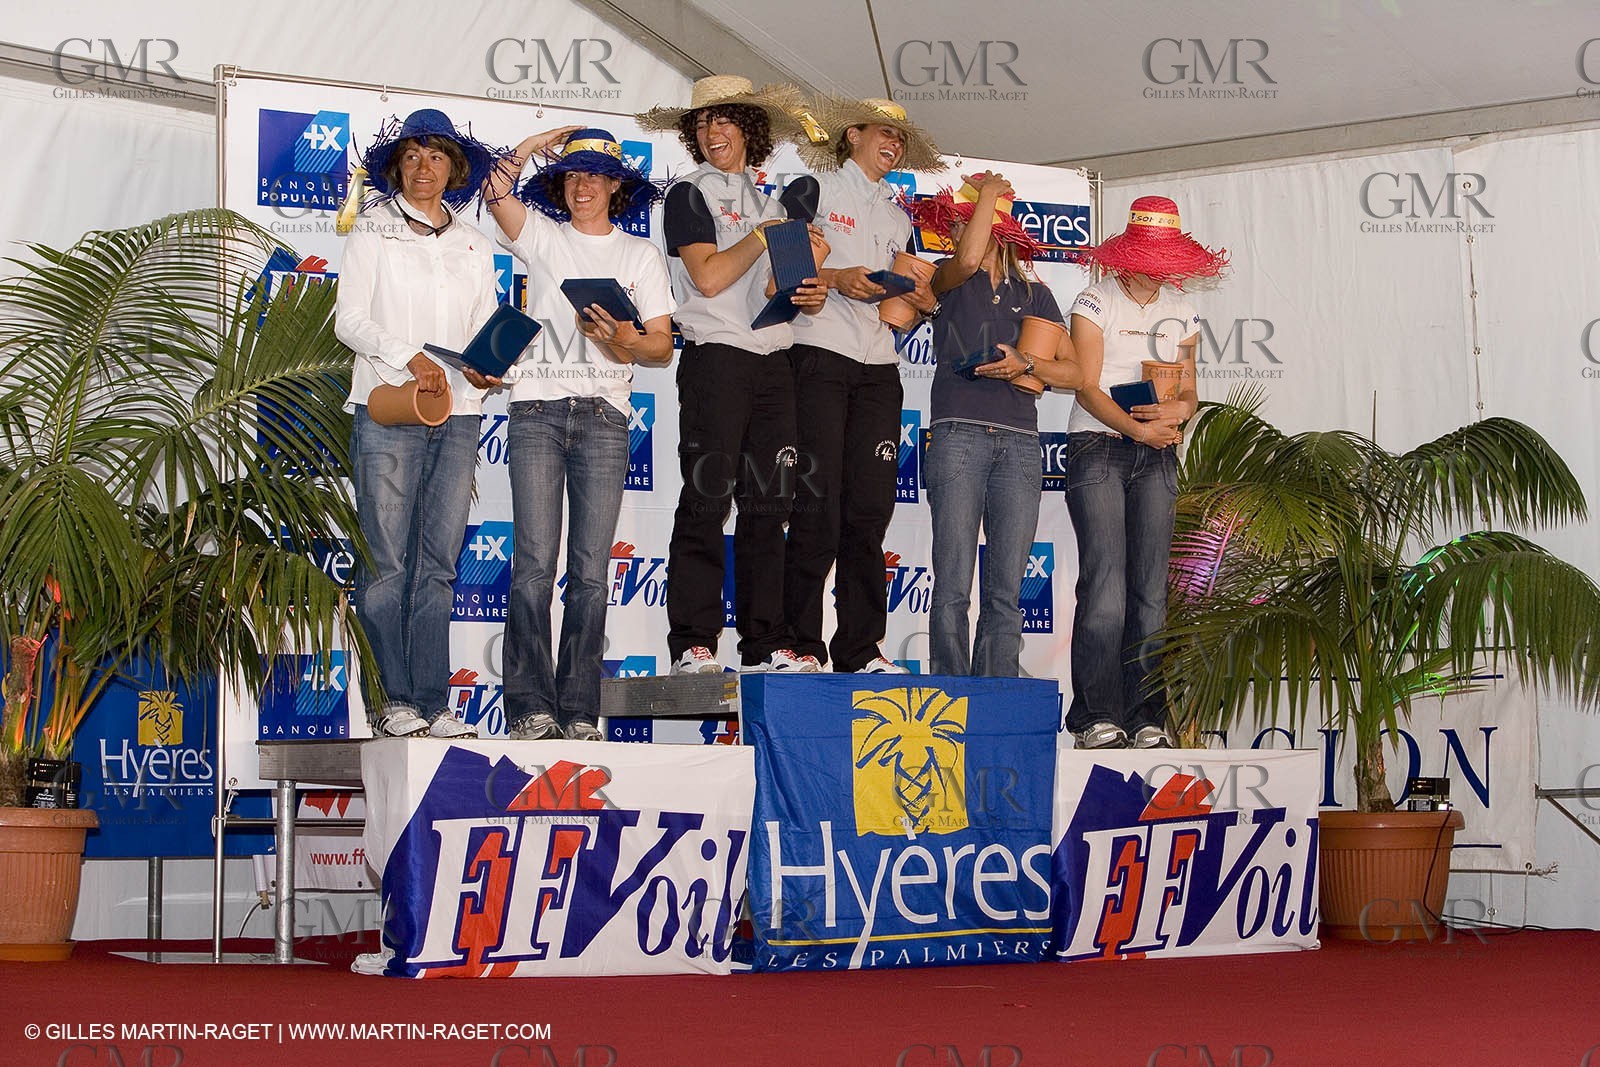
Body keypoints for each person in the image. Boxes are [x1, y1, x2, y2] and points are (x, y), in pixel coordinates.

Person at [481, 127, 676, 741]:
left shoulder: (639, 255)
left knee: (591, 573)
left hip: (604, 419)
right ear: (558, 185)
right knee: (535, 567)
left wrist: (618, 339)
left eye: (595, 175)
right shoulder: (541, 235)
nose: (583, 185)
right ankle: (530, 708)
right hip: (537, 409)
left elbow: (661, 347)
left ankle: (580, 711)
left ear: (616, 185)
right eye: (571, 175)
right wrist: (531, 142)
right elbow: (493, 187)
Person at [636, 75, 828, 674]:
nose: (711, 132)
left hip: (776, 361)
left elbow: (779, 291)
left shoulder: (775, 204)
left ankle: (764, 643)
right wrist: (764, 236)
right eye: (702, 123)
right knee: (706, 497)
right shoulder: (687, 194)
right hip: (715, 357)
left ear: (750, 129)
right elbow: (711, 279)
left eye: (724, 121)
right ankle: (692, 644)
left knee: (770, 506)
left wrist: (810, 287)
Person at [335, 109, 503, 738]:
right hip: (390, 403)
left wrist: (489, 368)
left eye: (436, 157)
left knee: (437, 564)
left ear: (453, 168)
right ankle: (391, 702)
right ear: (396, 166)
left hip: (459, 412)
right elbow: (348, 319)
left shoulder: (474, 243)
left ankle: (432, 703)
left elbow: (486, 325)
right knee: (387, 562)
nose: (424, 168)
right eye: (412, 156)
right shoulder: (373, 229)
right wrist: (408, 357)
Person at [778, 96, 943, 675]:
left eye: (900, 138)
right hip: (819, 353)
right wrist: (836, 278)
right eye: (883, 133)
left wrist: (921, 300)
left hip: (879, 367)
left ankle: (860, 648)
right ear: (852, 136)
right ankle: (798, 644)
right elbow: (783, 269)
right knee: (816, 504)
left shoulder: (899, 216)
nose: (893, 144)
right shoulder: (813, 189)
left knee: (870, 513)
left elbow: (906, 300)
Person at [1064, 195, 1228, 749]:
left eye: (1164, 256)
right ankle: (1092, 715)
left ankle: (1146, 714)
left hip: (1158, 451)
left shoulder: (1183, 310)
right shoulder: (1093, 299)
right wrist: (1138, 429)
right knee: (1106, 586)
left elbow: (1189, 389)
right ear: (1126, 252)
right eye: (1147, 254)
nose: (1154, 266)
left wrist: (1176, 413)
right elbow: (1085, 386)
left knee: (1151, 592)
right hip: (1100, 446)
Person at [909, 175, 1080, 677]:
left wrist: (1026, 365)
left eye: (971, 223)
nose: (965, 232)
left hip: (1021, 443)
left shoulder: (1035, 293)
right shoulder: (948, 275)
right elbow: (964, 260)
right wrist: (987, 193)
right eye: (962, 222)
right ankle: (949, 690)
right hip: (958, 431)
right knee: (953, 582)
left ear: (999, 231)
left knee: (1007, 587)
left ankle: (999, 691)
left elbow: (1075, 373)